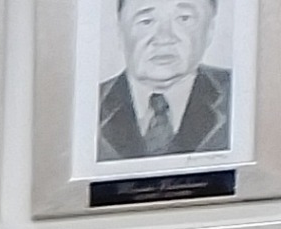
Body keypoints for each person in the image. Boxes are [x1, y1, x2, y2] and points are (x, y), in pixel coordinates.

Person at [97, 0, 231, 161]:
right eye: (146, 21)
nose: (164, 38)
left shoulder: (242, 98)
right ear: (120, 32)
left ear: (210, 30)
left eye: (184, 19)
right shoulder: (88, 106)